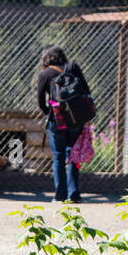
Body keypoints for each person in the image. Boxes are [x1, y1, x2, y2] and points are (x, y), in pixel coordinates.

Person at [36, 47, 92, 202]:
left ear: (46, 59)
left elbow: (40, 101)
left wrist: (50, 112)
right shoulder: (73, 67)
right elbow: (86, 91)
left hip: (57, 119)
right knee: (74, 154)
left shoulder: (44, 74)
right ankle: (74, 193)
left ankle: (60, 195)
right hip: (77, 118)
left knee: (58, 157)